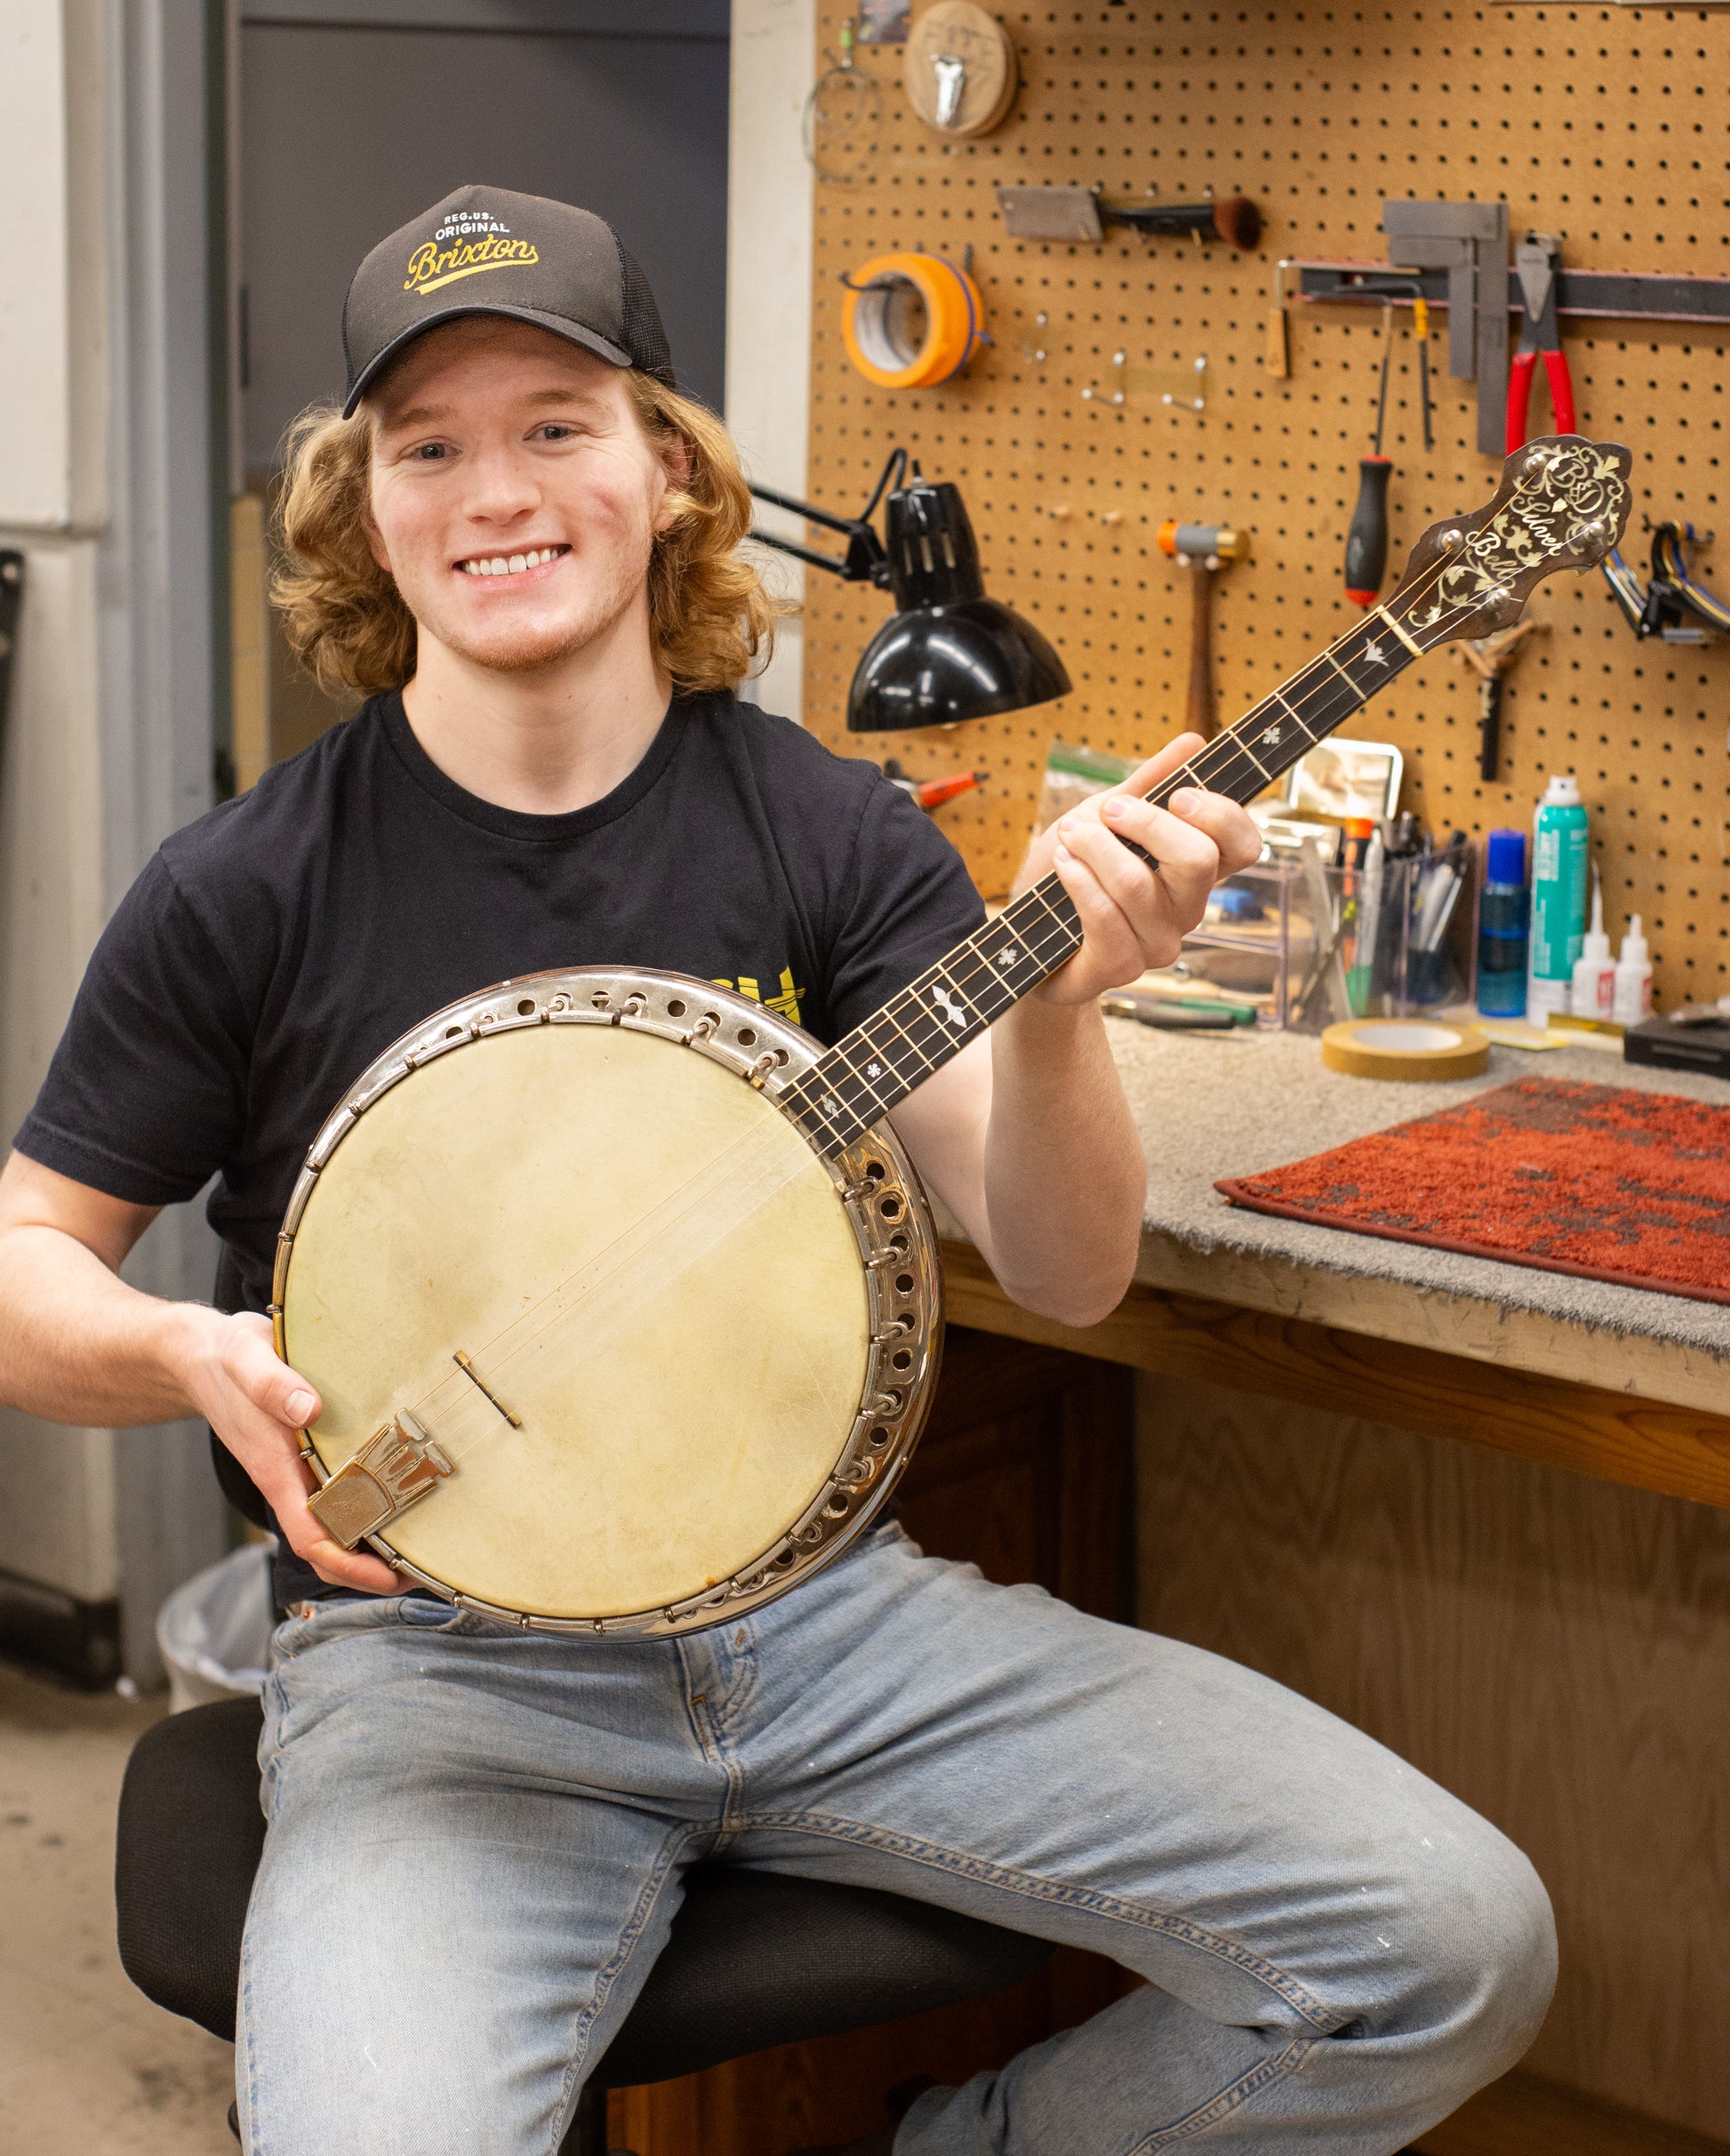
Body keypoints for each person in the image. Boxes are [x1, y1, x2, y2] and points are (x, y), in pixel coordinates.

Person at [0, 188, 1553, 2156]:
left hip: (831, 1622)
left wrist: (1067, 1005)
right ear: (362, 511)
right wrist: (182, 1353)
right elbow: (25, 1265)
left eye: (556, 425)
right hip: (440, 1669)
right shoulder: (243, 886)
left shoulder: (832, 834)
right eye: (430, 446)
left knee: (1451, 1940)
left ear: (664, 467)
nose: (498, 491)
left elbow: (1064, 1270)